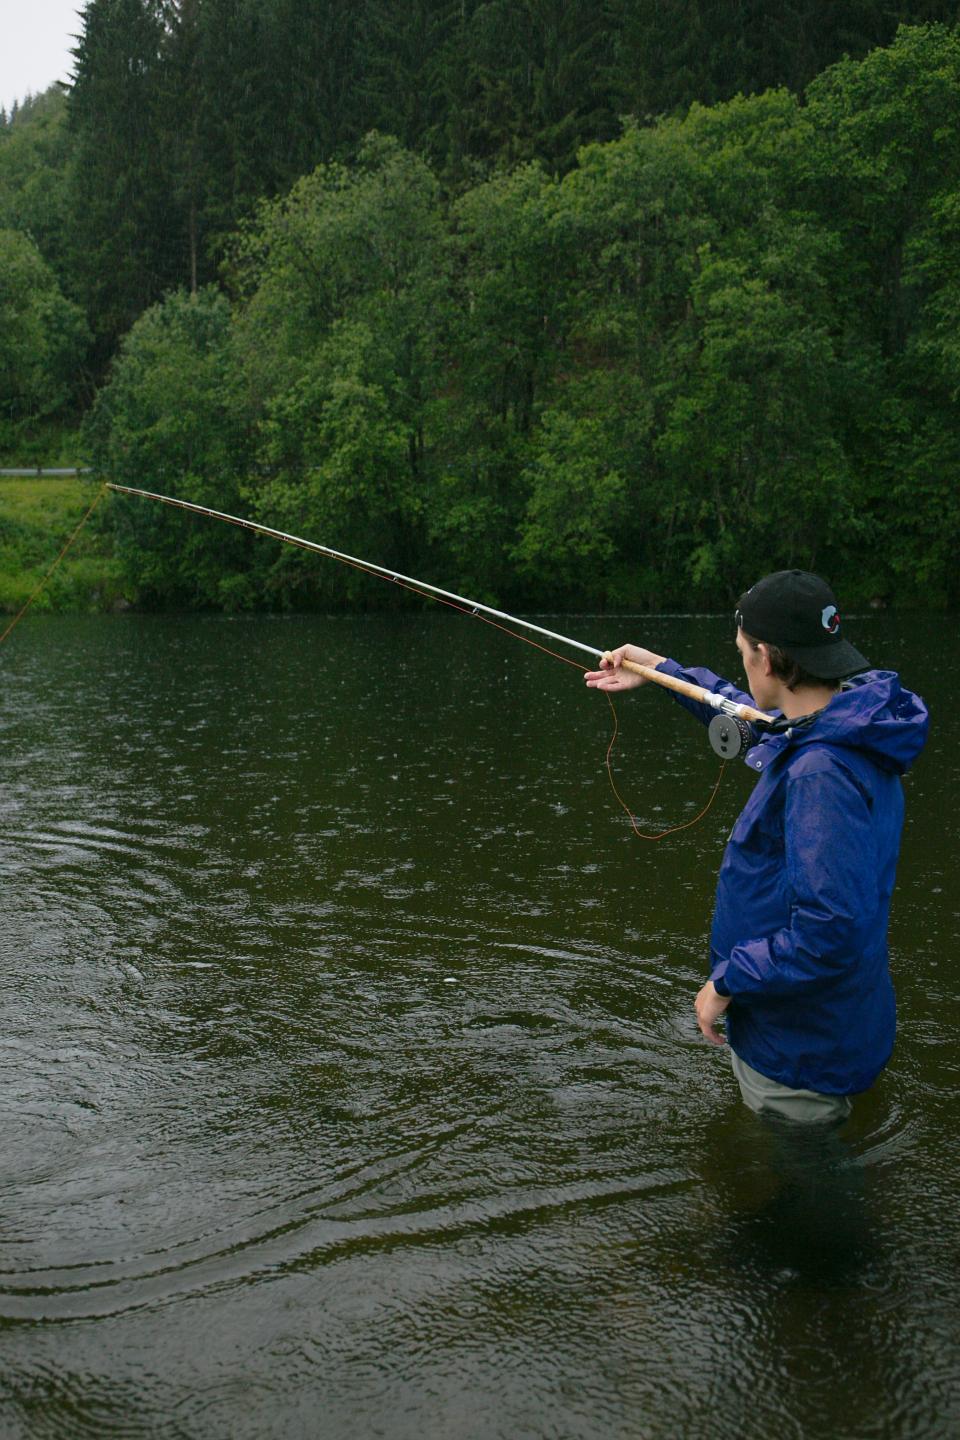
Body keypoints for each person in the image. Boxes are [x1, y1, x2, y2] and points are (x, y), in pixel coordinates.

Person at [585, 570, 929, 1125]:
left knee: (801, 1170)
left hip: (798, 1048)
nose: (743, 663)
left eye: (744, 652)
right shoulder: (842, 721)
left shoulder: (822, 772)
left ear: (766, 659)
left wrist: (727, 982)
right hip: (830, 1022)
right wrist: (661, 671)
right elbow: (747, 713)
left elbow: (828, 930)